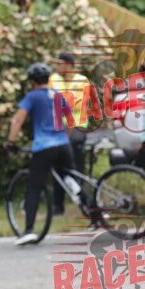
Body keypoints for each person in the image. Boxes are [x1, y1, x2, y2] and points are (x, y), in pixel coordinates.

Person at [6, 62, 80, 246]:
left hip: (43, 147)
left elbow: (18, 120)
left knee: (34, 187)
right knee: (71, 179)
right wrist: (64, 138)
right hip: (63, 145)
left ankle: (29, 230)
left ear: (32, 81)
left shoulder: (32, 96)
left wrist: (10, 142)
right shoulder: (57, 95)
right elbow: (71, 121)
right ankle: (95, 213)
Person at [48, 53, 89, 213]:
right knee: (57, 165)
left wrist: (60, 99)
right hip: (58, 128)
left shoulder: (82, 80)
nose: (57, 66)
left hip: (77, 127)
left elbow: (78, 104)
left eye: (60, 63)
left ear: (69, 65)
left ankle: (82, 202)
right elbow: (50, 100)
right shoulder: (53, 79)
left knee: (75, 164)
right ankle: (58, 205)